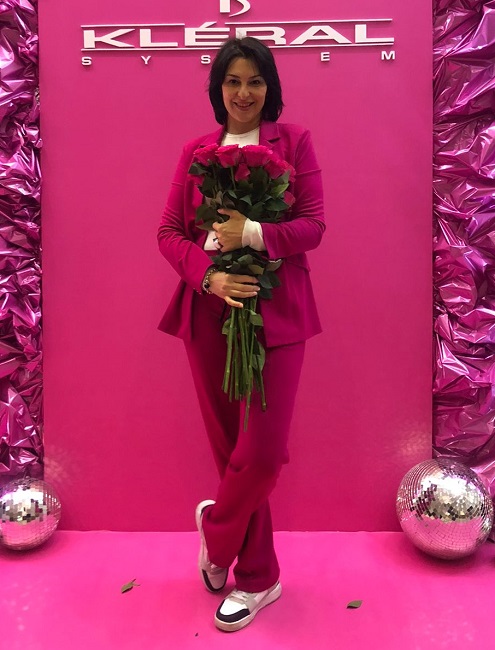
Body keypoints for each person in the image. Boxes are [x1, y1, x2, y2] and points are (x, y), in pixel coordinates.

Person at [157, 37, 325, 633]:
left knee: (262, 455)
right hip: (208, 314)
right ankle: (258, 578)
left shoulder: (293, 142)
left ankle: (216, 532)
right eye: (233, 81)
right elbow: (169, 232)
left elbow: (313, 226)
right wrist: (209, 276)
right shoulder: (196, 151)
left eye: (255, 81)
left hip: (276, 313)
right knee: (231, 452)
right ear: (218, 89)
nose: (244, 93)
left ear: (269, 87)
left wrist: (251, 233)